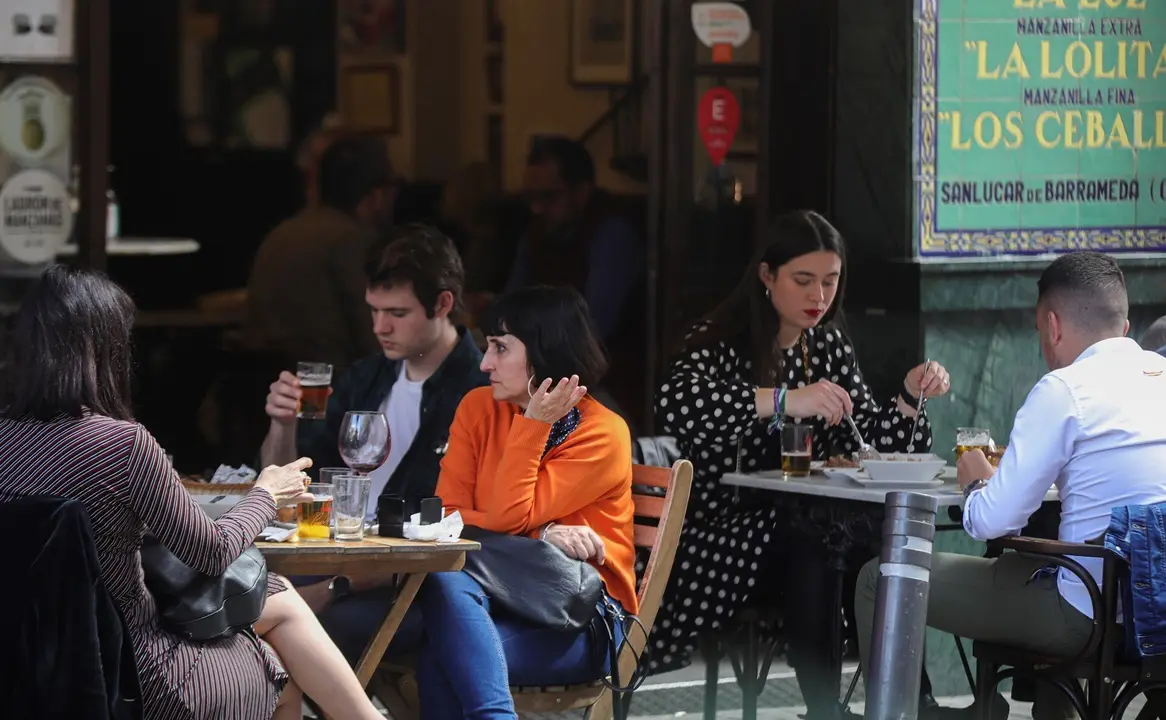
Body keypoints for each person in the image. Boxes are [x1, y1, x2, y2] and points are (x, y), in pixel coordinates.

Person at [0, 265, 386, 720]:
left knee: (278, 598)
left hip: (26, 674)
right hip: (133, 674)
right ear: (104, 352)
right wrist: (266, 492)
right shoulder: (122, 445)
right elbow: (212, 552)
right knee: (280, 666)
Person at [650, 210, 952, 718]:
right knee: (817, 534)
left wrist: (905, 397)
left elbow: (867, 443)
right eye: (804, 280)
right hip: (722, 535)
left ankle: (908, 702)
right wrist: (787, 398)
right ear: (767, 276)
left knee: (878, 536)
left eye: (830, 282)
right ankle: (823, 708)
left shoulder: (828, 344)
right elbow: (677, 403)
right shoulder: (720, 340)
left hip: (805, 528)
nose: (819, 296)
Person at [855, 251, 1166, 720]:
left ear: (1054, 325)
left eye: (1040, 333)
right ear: (1124, 328)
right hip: (1154, 609)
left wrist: (976, 483)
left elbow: (991, 521)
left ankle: (911, 713)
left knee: (877, 579)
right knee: (1044, 565)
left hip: (1087, 613)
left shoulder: (1065, 389)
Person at [326, 286, 638, 718]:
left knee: (442, 646)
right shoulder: (478, 407)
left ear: (546, 354)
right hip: (486, 597)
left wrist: (532, 426)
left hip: (579, 618)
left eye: (499, 348)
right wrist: (543, 532)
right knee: (414, 593)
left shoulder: (601, 433)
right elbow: (445, 513)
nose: (483, 362)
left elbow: (503, 518)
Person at [260, 225, 487, 606]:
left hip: (409, 583)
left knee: (263, 612)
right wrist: (282, 424)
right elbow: (288, 490)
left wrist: (333, 588)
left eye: (397, 313)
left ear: (443, 304)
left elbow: (465, 533)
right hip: (328, 558)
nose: (380, 327)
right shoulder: (365, 378)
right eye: (374, 310)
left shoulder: (479, 391)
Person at [245, 134, 398, 373]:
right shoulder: (353, 240)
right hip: (329, 395)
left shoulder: (281, 234)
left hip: (273, 393)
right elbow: (378, 340)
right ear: (377, 196)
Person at [504, 136, 643, 343]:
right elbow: (510, 306)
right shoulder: (538, 231)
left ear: (582, 193)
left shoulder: (611, 233)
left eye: (548, 197)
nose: (536, 208)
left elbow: (595, 324)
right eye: (530, 197)